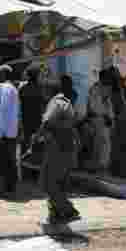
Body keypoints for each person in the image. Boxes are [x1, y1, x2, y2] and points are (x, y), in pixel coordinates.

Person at [35, 82, 82, 224]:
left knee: (48, 182)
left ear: (50, 92)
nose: (43, 93)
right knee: (58, 182)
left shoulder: (55, 103)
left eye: (44, 90)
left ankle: (68, 210)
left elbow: (47, 122)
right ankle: (55, 213)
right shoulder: (66, 104)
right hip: (67, 148)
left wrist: (37, 137)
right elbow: (72, 127)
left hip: (57, 148)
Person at [0, 64, 20, 197]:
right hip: (9, 131)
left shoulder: (5, 89)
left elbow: (3, 111)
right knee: (8, 161)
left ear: (4, 75)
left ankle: (3, 190)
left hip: (3, 133)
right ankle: (10, 188)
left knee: (3, 161)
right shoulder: (11, 88)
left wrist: (0, 134)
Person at [86, 65, 115, 172]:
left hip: (105, 120)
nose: (108, 79)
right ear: (101, 77)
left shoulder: (106, 89)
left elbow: (109, 105)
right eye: (106, 77)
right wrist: (105, 115)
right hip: (98, 119)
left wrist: (111, 117)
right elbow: (94, 106)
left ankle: (103, 165)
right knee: (99, 143)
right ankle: (98, 165)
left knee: (105, 143)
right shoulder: (95, 89)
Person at [18, 66, 47, 171]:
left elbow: (19, 104)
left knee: (26, 144)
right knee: (36, 144)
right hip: (36, 120)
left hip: (27, 120)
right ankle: (34, 169)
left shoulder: (23, 88)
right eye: (37, 75)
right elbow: (44, 103)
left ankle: (26, 169)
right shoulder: (39, 88)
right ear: (34, 76)